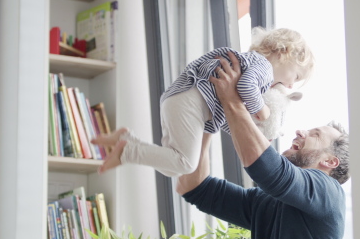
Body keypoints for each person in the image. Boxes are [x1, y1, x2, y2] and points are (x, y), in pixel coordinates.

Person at [176, 53, 350, 239]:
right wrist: (207, 121)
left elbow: (269, 170)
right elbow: (193, 186)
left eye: (315, 134)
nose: (300, 131)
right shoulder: (267, 202)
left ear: (330, 161)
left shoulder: (328, 192)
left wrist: (232, 101)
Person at [91, 27, 314, 176]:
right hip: (190, 102)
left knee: (173, 166)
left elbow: (228, 115)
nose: (292, 85)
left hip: (184, 101)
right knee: (186, 164)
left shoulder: (255, 69)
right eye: (296, 77)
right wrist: (263, 113)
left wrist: (253, 129)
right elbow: (246, 88)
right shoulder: (262, 67)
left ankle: (126, 139)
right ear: (284, 53)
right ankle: (126, 152)